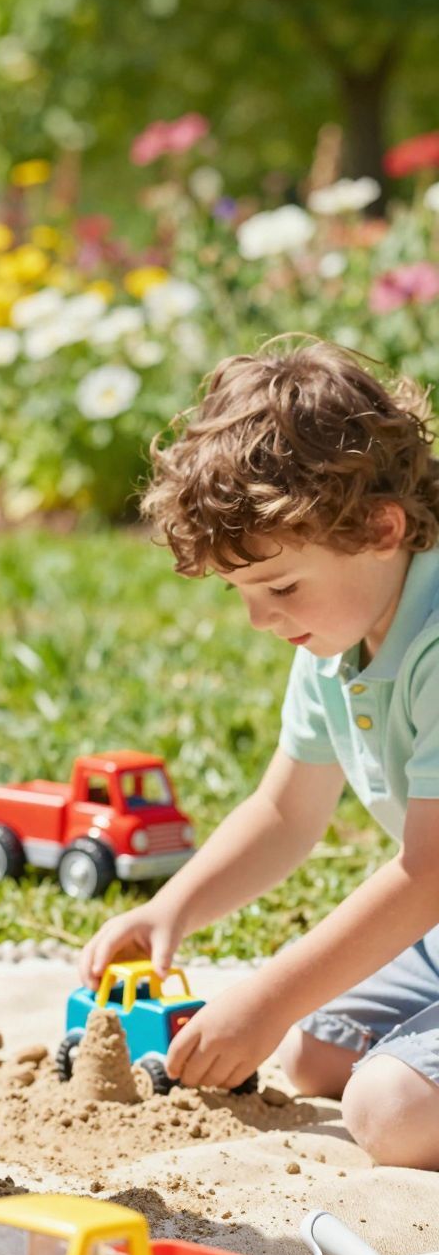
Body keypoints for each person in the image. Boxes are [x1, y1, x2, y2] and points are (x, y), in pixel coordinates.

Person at [81, 339, 439, 1170]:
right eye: (242, 594)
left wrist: (268, 995)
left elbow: (427, 874)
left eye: (280, 587)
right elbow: (284, 813)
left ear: (383, 528)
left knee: (387, 1111)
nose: (261, 620)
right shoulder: (336, 641)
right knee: (314, 1051)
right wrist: (172, 909)